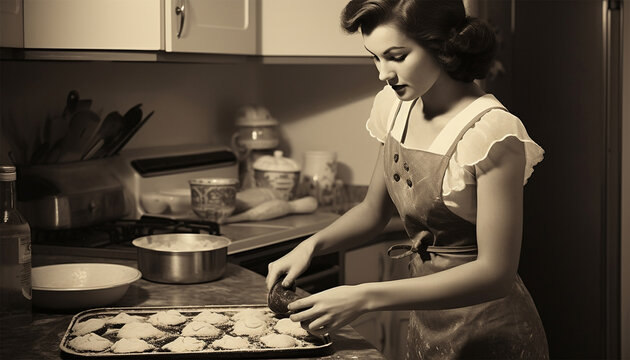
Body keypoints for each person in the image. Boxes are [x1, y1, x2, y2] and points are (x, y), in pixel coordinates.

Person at [266, 1, 549, 358]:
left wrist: (366, 296)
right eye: (375, 57)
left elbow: (496, 273)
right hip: (428, 320)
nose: (383, 73)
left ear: (443, 46)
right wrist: (311, 245)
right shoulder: (395, 107)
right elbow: (372, 211)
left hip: (490, 332)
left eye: (396, 56)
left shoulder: (492, 133)